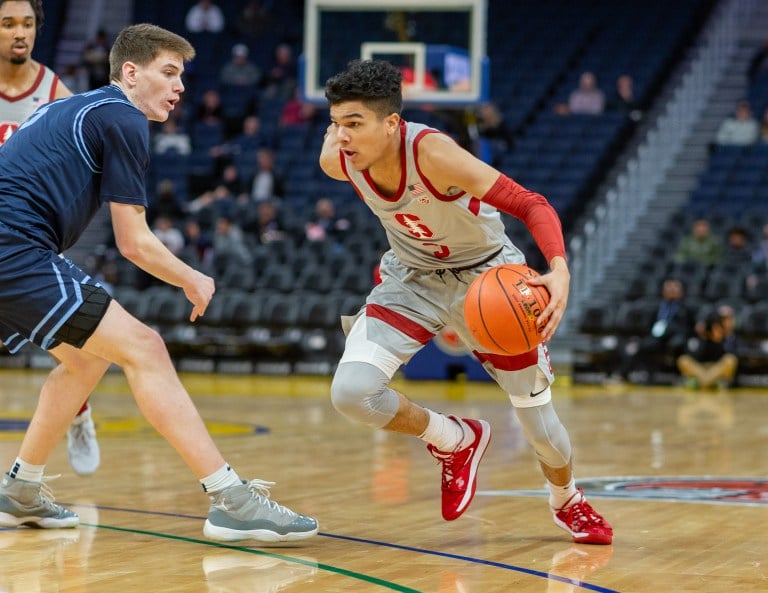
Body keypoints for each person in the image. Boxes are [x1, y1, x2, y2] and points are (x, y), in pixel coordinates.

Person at [0, 23, 317, 543]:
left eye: (181, 76)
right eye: (168, 72)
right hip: (12, 247)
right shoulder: (122, 116)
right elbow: (133, 242)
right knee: (146, 346)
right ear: (130, 72)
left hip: (15, 249)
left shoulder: (76, 108)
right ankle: (230, 498)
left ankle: (21, 489)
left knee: (86, 358)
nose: (180, 86)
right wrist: (193, 278)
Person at [319, 59, 612, 545]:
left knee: (539, 423)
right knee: (350, 393)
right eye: (334, 124)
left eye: (354, 124)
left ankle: (567, 501)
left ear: (392, 124)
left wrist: (559, 270)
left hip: (488, 278)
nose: (341, 136)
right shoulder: (338, 159)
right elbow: (338, 159)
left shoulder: (435, 154)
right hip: (412, 278)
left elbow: (531, 204)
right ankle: (455, 440)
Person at [0, 0, 100, 477]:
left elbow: (73, 163)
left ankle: (77, 411)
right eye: (7, 23)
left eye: (27, 24)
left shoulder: (55, 91)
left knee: (76, 350)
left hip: (28, 234)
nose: (19, 33)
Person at [611, 278, 695, 384]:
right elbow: (650, 325)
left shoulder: (686, 308)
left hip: (675, 337)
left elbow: (688, 327)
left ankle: (679, 376)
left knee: (677, 344)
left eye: (675, 288)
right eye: (669, 288)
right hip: (658, 337)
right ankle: (637, 374)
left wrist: (670, 328)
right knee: (641, 346)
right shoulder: (657, 306)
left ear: (681, 291)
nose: (671, 290)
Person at [677, 311, 738, 390]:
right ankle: (710, 382)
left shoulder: (727, 337)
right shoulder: (700, 337)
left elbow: (730, 355)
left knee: (731, 360)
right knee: (683, 360)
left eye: (718, 327)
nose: (717, 330)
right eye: (714, 327)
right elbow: (693, 355)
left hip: (716, 370)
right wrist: (702, 337)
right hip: (701, 369)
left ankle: (701, 382)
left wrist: (721, 339)